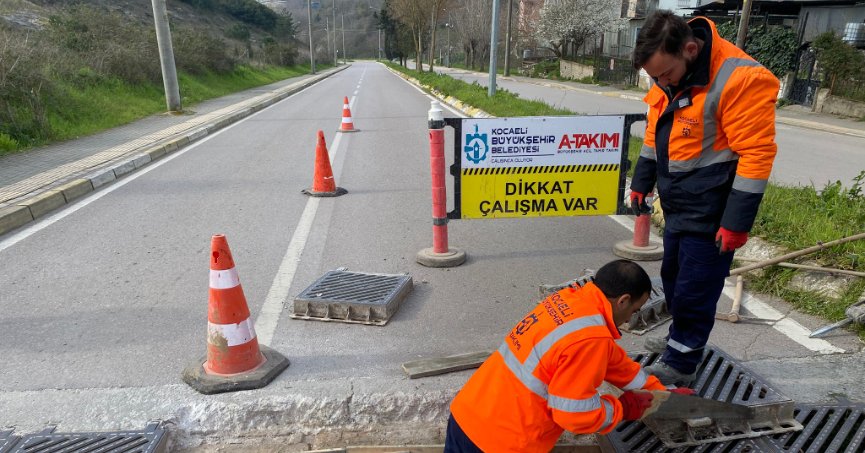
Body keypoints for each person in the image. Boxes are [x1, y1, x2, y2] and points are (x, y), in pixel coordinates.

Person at [629, 11, 779, 386]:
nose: (660, 82)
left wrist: (735, 223)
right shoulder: (668, 78)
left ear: (690, 50)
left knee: (696, 286)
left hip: (713, 209)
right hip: (679, 203)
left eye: (664, 75)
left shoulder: (741, 79)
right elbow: (654, 134)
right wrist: (641, 181)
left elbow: (757, 156)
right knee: (674, 278)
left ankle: (682, 362)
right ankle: (679, 342)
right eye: (654, 77)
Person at [445, 260, 691, 453]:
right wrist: (623, 408)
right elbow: (574, 415)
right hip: (501, 443)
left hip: (467, 416)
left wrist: (661, 395)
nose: (630, 319)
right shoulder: (590, 338)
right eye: (634, 310)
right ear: (623, 300)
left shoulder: (571, 302)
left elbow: (616, 363)